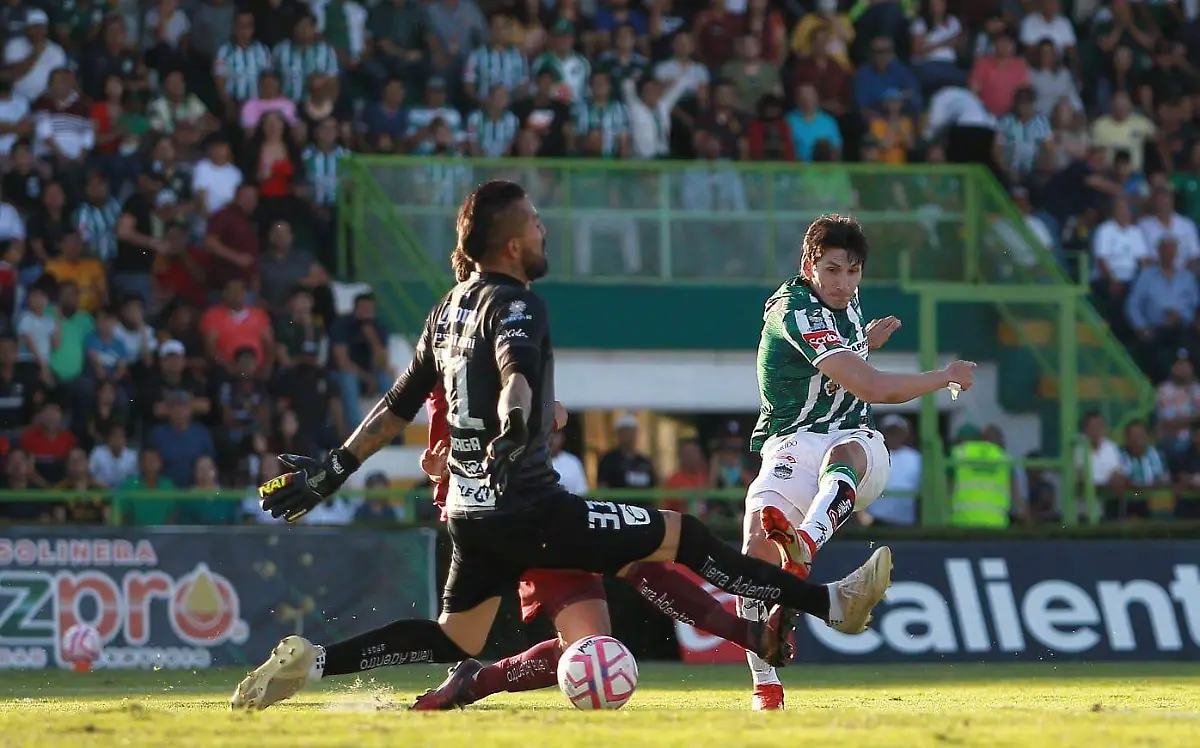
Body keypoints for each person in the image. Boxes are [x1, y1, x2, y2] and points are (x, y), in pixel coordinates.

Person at [233, 181, 892, 711]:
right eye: (535, 222)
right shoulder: (518, 304)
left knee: (455, 636)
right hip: (533, 507)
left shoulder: (446, 310)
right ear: (512, 243)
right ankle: (829, 604)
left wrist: (332, 470)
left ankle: (314, 662)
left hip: (471, 516)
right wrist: (519, 425)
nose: (544, 229)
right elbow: (517, 377)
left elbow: (395, 405)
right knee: (683, 536)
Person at [412, 311, 788, 710]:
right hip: (504, 516)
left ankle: (472, 683)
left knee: (587, 648)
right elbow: (524, 421)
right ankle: (746, 633)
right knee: (634, 554)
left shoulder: (488, 355)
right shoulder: (458, 364)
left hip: (528, 508)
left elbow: (551, 412)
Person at [736, 214, 977, 711]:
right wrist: (945, 375)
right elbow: (873, 386)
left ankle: (804, 543)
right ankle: (766, 684)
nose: (843, 284)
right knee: (755, 552)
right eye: (832, 270)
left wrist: (863, 342)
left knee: (842, 454)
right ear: (808, 266)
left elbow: (849, 372)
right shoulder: (797, 312)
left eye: (852, 271)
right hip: (790, 444)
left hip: (856, 442)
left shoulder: (843, 302)